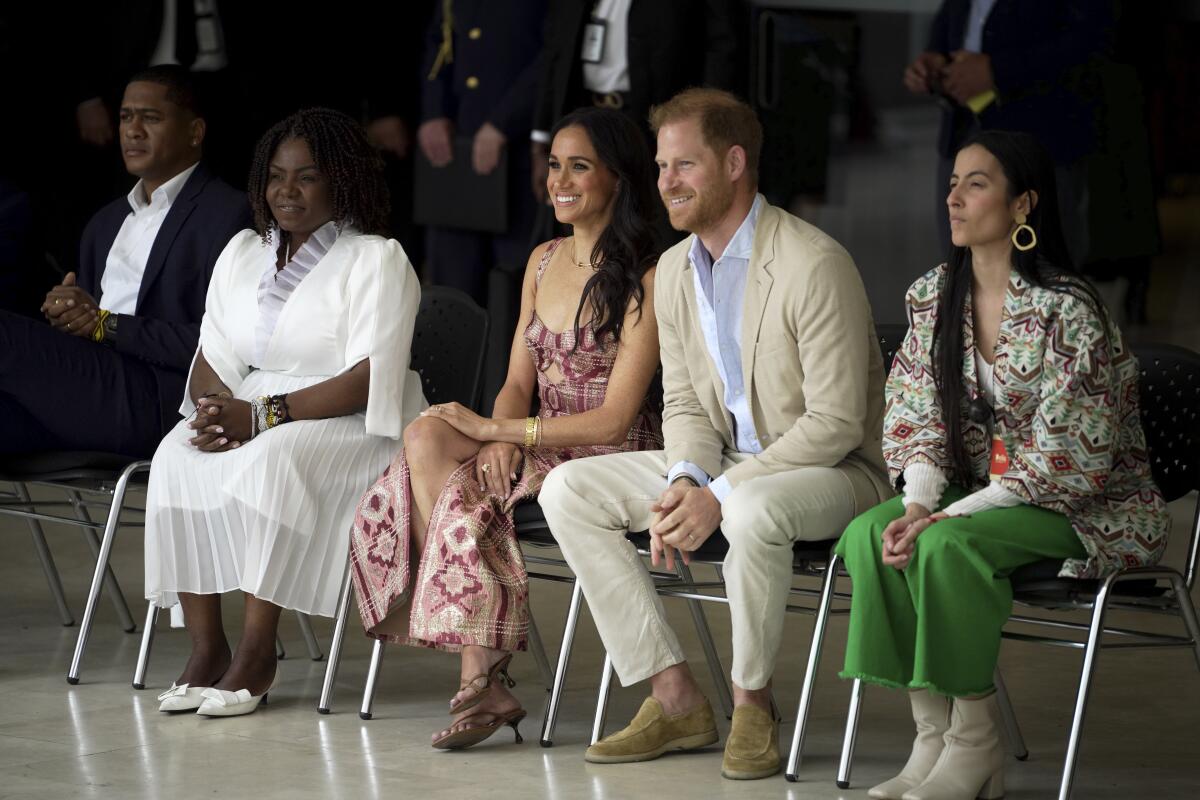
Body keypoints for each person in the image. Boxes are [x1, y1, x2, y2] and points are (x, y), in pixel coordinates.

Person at [538, 88, 892, 780]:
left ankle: (752, 703)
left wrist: (721, 492)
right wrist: (685, 480)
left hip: (836, 471)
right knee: (567, 487)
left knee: (753, 510)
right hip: (730, 464)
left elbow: (837, 422)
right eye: (663, 166)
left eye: (685, 166)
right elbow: (687, 406)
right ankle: (673, 698)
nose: (666, 181)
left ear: (734, 164)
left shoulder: (813, 263)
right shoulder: (673, 269)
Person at [835, 130, 1169, 800]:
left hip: (1087, 508)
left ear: (1025, 204)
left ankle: (975, 743)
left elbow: (1069, 460)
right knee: (871, 534)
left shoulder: (1070, 310)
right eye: (952, 182)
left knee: (947, 548)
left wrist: (945, 518)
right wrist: (918, 505)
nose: (953, 197)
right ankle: (930, 735)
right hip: (975, 498)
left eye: (976, 183)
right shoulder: (932, 295)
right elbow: (915, 412)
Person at [349, 106, 663, 750]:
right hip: (531, 433)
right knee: (427, 436)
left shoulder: (649, 273)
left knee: (455, 489)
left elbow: (616, 416)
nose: (560, 181)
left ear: (619, 178)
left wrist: (508, 433)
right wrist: (496, 435)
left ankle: (479, 670)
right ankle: (483, 659)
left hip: (599, 450)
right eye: (554, 166)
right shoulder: (543, 260)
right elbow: (519, 380)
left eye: (580, 166)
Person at [144, 107, 425, 718]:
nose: (286, 192)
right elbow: (211, 350)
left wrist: (262, 416)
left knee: (270, 460)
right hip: (253, 408)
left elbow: (370, 377)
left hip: (350, 423)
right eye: (276, 177)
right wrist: (218, 411)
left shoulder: (376, 259)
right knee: (175, 453)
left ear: (341, 180)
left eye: (306, 178)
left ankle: (256, 650)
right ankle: (205, 647)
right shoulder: (245, 250)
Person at [0, 65, 250, 457]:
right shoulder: (105, 222)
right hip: (90, 392)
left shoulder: (230, 214)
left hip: (158, 399)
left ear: (194, 132)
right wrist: (70, 315)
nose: (133, 130)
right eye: (125, 117)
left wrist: (106, 325)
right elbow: (88, 329)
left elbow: (220, 345)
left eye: (150, 118)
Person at [903, 0, 1114, 263]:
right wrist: (936, 55)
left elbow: (1091, 40)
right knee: (960, 267)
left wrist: (997, 71)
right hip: (963, 127)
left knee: (1043, 271)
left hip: (1039, 135)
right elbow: (956, 13)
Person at [529, 0, 741, 203]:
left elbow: (722, 45)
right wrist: (542, 138)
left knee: (658, 223)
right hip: (584, 116)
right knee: (587, 226)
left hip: (659, 122)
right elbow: (555, 46)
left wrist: (705, 124)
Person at [416, 0, 546, 303]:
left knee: (517, 293)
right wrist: (434, 112)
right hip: (456, 158)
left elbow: (554, 54)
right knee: (451, 293)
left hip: (521, 158)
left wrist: (504, 123)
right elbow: (440, 40)